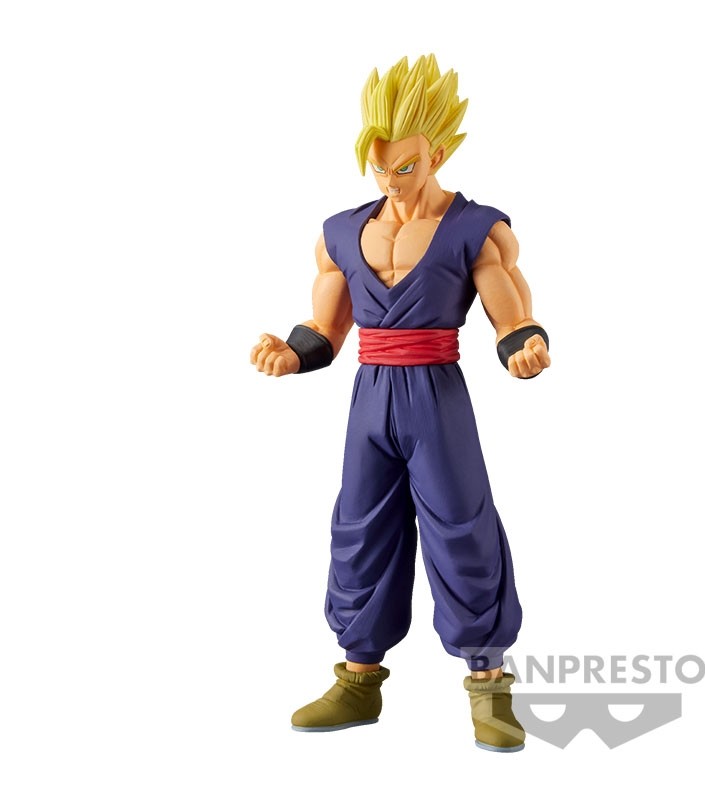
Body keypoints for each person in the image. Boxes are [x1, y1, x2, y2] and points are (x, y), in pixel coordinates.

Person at [250, 55, 550, 752]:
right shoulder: (340, 231)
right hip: (370, 396)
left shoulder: (478, 228)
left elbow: (512, 316)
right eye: (379, 166)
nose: (390, 179)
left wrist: (524, 348)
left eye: (405, 166)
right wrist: (291, 353)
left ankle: (489, 685)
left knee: (462, 525)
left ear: (436, 154)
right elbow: (325, 327)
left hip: (436, 394)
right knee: (359, 527)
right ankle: (358, 680)